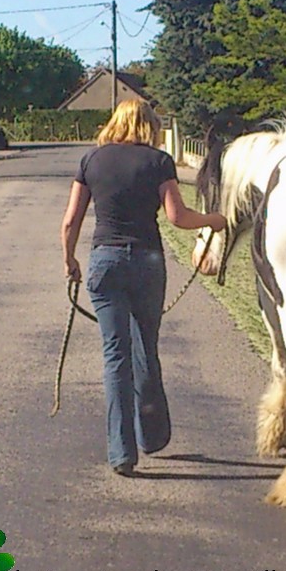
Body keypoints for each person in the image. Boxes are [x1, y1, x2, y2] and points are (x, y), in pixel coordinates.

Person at [60, 98, 226, 477]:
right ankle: (151, 436)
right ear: (148, 126)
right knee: (145, 348)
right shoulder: (158, 162)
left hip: (105, 262)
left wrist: (70, 260)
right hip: (147, 263)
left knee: (115, 355)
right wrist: (214, 219)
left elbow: (70, 222)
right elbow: (177, 216)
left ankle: (122, 452)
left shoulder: (91, 161)